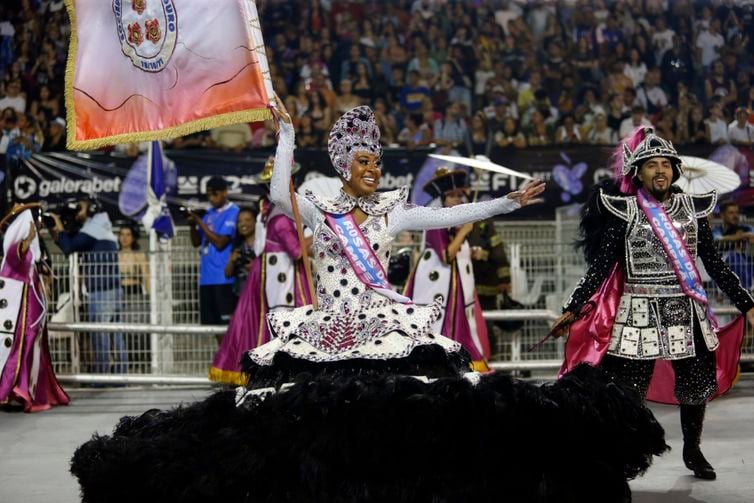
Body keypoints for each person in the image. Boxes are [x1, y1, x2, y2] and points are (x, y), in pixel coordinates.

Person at [71, 102, 669, 503]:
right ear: (344, 166)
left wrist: (506, 204)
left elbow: (447, 214)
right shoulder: (320, 209)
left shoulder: (392, 210)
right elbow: (278, 192)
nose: (373, 167)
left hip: (387, 320)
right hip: (329, 325)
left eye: (377, 160)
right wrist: (285, 135)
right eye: (364, 160)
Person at [554, 126, 754, 481]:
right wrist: (572, 307)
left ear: (675, 170)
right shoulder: (625, 211)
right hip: (637, 313)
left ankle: (692, 449)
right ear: (638, 173)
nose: (660, 170)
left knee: (695, 388)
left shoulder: (693, 211)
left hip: (686, 310)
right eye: (651, 165)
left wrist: (747, 304)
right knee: (628, 395)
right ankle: (622, 456)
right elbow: (601, 267)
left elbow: (715, 263)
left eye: (665, 164)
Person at [210, 168, 312, 385]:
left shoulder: (271, 213)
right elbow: (296, 251)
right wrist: (322, 235)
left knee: (263, 323)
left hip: (272, 273)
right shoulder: (280, 219)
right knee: (282, 322)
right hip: (280, 278)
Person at [404, 167, 491, 371]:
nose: (457, 199)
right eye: (452, 196)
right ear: (443, 199)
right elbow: (446, 256)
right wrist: (465, 231)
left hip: (456, 290)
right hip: (438, 289)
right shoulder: (435, 222)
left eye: (460, 195)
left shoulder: (455, 222)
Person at [0, 205, 69, 412]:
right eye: (34, 220)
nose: (38, 224)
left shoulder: (30, 249)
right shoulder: (15, 247)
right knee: (22, 347)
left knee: (33, 347)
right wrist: (28, 239)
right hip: (22, 309)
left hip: (32, 306)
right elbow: (16, 256)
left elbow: (36, 268)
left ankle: (25, 391)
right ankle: (16, 391)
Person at [50, 198, 125, 374]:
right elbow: (69, 245)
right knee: (116, 335)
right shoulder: (100, 226)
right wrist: (58, 232)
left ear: (91, 209)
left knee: (100, 336)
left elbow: (70, 247)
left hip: (102, 292)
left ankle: (102, 376)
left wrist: (59, 223)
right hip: (112, 289)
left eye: (80, 208)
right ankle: (121, 376)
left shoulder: (94, 227)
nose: (77, 212)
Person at [187, 176, 240, 339]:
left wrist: (199, 222)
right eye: (208, 195)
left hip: (223, 279)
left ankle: (233, 363)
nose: (211, 198)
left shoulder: (234, 212)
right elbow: (196, 242)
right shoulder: (208, 214)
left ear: (225, 192)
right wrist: (192, 226)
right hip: (206, 279)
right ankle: (222, 363)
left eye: (215, 194)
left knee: (227, 329)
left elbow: (220, 243)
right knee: (214, 329)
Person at [117, 223, 149, 372]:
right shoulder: (114, 255)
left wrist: (149, 297)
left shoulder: (139, 255)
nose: (124, 238)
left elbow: (147, 277)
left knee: (139, 329)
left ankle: (142, 362)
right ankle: (127, 362)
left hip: (135, 293)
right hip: (119, 294)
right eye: (122, 234)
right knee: (124, 330)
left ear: (133, 237)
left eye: (128, 234)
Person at [712, 200, 754, 289]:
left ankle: (748, 290)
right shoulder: (717, 230)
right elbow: (717, 240)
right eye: (731, 213)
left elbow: (752, 237)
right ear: (722, 215)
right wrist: (740, 237)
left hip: (746, 261)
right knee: (733, 256)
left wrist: (735, 238)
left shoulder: (745, 227)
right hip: (723, 263)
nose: (735, 216)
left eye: (737, 213)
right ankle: (747, 290)